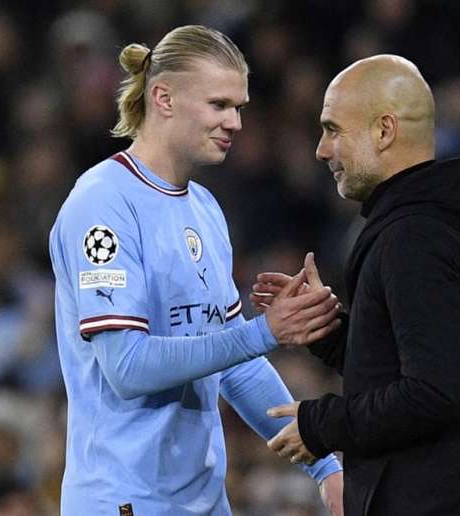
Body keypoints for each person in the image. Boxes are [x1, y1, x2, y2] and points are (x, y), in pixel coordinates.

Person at [48, 25, 344, 516]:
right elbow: (125, 367)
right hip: (123, 500)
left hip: (203, 501)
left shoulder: (204, 207)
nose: (235, 123)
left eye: (239, 108)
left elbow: (238, 365)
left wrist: (324, 467)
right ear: (163, 98)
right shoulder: (102, 203)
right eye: (219, 105)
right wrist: (263, 332)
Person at [252, 55, 460, 515]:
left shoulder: (414, 237)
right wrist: (329, 331)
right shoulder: (439, 225)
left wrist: (323, 424)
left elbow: (435, 393)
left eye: (333, 129)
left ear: (384, 131)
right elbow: (411, 369)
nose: (322, 150)